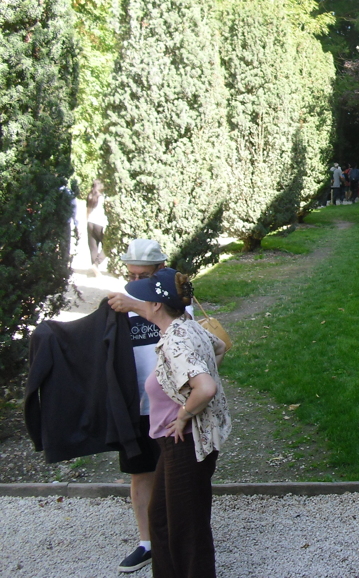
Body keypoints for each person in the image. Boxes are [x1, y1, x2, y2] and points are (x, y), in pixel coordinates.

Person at [122, 267, 229, 578]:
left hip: (185, 441)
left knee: (186, 526)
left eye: (145, 298)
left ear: (157, 305)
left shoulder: (175, 342)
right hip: (179, 442)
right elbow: (220, 346)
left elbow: (205, 388)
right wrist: (194, 378)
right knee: (161, 518)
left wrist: (184, 413)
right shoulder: (187, 325)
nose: (140, 301)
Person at [105, 239, 171, 573]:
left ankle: (174, 536)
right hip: (136, 405)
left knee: (174, 472)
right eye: (130, 274)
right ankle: (146, 542)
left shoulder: (176, 297)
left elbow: (176, 325)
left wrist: (134, 303)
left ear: (160, 270)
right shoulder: (122, 300)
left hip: (172, 407)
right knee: (140, 474)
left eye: (142, 274)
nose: (134, 280)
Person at [86, 179, 107, 276]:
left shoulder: (90, 196)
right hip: (100, 223)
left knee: (93, 247)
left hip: (90, 222)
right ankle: (96, 264)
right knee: (107, 246)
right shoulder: (102, 198)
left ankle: (95, 269)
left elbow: (88, 211)